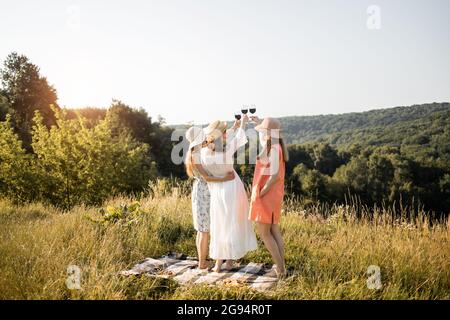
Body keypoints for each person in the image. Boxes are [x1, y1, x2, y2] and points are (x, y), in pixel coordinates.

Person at [200, 118, 258, 272]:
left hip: (217, 189)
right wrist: (243, 123)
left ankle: (219, 264)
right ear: (222, 135)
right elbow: (239, 138)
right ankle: (230, 261)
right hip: (232, 187)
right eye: (224, 132)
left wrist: (231, 129)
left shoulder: (204, 152)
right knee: (232, 222)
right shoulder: (226, 151)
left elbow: (213, 142)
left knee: (219, 224)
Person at [184, 126, 235, 269]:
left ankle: (203, 261)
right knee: (205, 230)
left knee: (202, 229)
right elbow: (207, 178)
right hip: (204, 192)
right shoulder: (195, 154)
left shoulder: (195, 149)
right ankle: (202, 263)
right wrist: (225, 178)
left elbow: (215, 136)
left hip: (200, 191)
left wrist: (233, 127)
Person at [248, 116, 289, 278]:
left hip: (266, 195)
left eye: (264, 131)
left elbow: (274, 175)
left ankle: (280, 270)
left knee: (265, 233)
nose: (262, 133)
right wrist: (259, 123)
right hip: (273, 195)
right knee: (274, 230)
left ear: (269, 133)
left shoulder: (273, 149)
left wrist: (261, 192)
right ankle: (281, 268)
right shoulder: (276, 146)